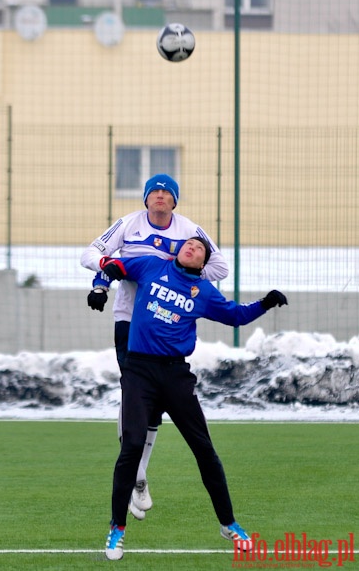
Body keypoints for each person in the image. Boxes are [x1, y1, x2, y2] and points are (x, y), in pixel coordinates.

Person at [97, 236, 288, 560]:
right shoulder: (151, 265)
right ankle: (117, 528)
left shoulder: (204, 293)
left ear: (203, 265)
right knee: (131, 446)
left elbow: (236, 316)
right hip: (139, 370)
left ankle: (228, 524)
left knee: (204, 450)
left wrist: (266, 303)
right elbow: (114, 265)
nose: (193, 248)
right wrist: (109, 270)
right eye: (189, 244)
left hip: (175, 377)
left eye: (200, 249)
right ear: (179, 251)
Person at [80, 174, 229, 520]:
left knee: (158, 403)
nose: (161, 196)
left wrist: (180, 278)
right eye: (155, 191)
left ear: (175, 201)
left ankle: (139, 473)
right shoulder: (128, 224)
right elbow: (91, 253)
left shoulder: (189, 230)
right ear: (146, 198)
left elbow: (219, 266)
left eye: (167, 192)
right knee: (134, 394)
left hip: (169, 323)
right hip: (130, 322)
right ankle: (138, 475)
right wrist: (108, 273)